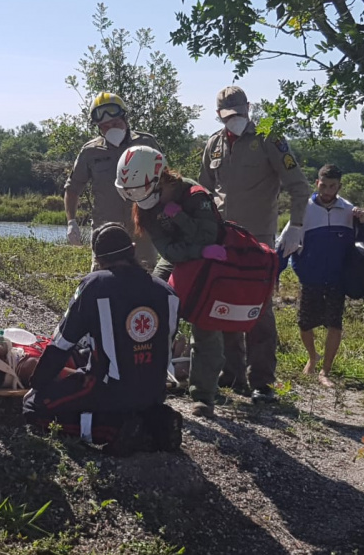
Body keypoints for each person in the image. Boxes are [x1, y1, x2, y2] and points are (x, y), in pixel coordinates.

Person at [23, 223, 183, 456]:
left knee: (34, 408)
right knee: (94, 361)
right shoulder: (167, 292)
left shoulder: (95, 285)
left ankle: (113, 430)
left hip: (110, 391)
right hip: (153, 391)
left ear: (98, 259)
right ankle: (157, 423)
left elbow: (61, 345)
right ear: (133, 250)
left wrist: (37, 385)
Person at [199, 85, 311, 403]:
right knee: (225, 305)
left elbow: (299, 187)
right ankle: (233, 375)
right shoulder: (214, 144)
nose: (232, 120)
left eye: (237, 113)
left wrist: (297, 225)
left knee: (259, 310)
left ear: (248, 109)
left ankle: (262, 381)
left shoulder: (269, 139)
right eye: (226, 115)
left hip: (258, 242)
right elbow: (204, 192)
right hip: (223, 240)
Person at [115, 145, 226, 418]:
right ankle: (148, 380)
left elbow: (208, 237)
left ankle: (204, 395)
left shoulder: (195, 196)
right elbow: (168, 250)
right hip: (181, 256)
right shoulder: (144, 206)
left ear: (160, 177)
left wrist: (182, 219)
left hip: (210, 260)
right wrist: (195, 248)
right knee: (151, 307)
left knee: (205, 325)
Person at [285, 164, 364, 387]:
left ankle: (325, 371)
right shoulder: (304, 208)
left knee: (335, 323)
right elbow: (286, 239)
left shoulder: (348, 210)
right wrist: (276, 268)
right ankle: (312, 357)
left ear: (339, 186)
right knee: (305, 323)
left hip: (337, 276)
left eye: (332, 186)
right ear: (317, 183)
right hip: (310, 274)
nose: (327, 190)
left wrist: (363, 222)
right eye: (323, 185)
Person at [64, 92, 159, 269]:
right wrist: (72, 222)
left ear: (125, 118)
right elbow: (73, 188)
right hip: (104, 230)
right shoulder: (90, 151)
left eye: (115, 123)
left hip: (142, 228)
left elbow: (165, 179)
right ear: (98, 127)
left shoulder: (147, 142)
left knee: (146, 279)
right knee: (102, 281)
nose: (111, 129)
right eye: (105, 126)